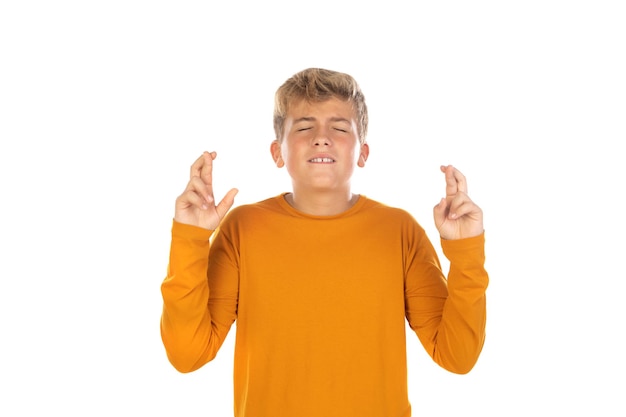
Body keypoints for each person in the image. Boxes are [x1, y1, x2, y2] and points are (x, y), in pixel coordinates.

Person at [160, 68, 488, 417]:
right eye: (303, 127)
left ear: (362, 152)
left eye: (340, 127)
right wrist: (190, 238)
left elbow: (458, 356)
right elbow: (188, 354)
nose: (321, 138)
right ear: (277, 152)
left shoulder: (400, 232)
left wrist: (466, 253)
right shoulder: (242, 229)